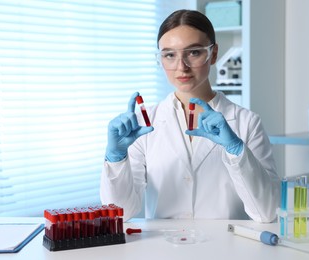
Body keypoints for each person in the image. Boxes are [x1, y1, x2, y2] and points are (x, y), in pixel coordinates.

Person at [100, 9, 280, 223]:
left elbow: (266, 212)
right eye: (169, 55)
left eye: (193, 52)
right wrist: (116, 157)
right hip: (164, 251)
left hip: (226, 249)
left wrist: (237, 151)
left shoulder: (246, 122)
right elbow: (121, 213)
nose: (181, 67)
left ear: (213, 54)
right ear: (160, 59)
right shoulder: (144, 123)